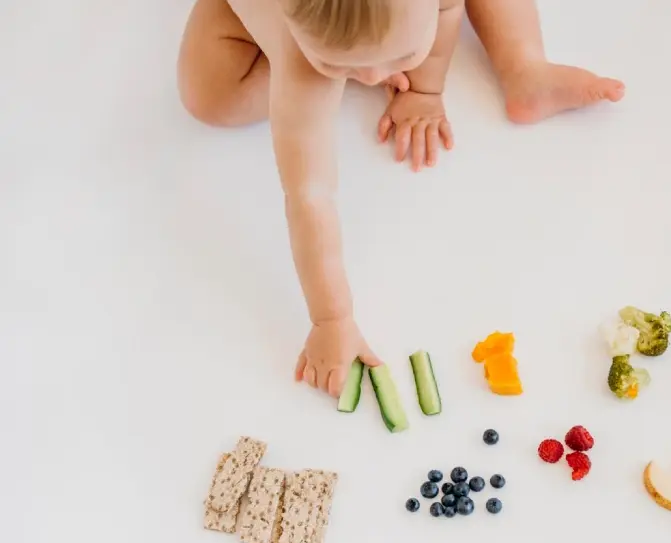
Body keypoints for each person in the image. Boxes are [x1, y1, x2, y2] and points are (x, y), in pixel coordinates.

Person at [177, 0, 625, 398]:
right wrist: (332, 320)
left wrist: (426, 89)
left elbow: (447, 11)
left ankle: (525, 66)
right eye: (346, 64)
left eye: (398, 58)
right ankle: (352, 48)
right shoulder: (301, 63)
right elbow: (309, 194)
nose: (376, 79)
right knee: (209, 97)